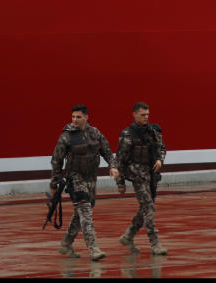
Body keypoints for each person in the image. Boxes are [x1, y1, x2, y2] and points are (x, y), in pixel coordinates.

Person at [50, 104, 119, 261]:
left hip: (91, 179)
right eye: (73, 117)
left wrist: (113, 166)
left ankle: (67, 243)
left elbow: (107, 151)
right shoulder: (66, 136)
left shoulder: (95, 133)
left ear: (86, 117)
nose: (75, 120)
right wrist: (54, 183)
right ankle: (93, 248)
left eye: (78, 117)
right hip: (75, 179)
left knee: (81, 212)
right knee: (86, 213)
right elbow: (56, 160)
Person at [115, 101, 168, 255]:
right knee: (149, 208)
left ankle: (128, 236)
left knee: (145, 208)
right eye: (143, 115)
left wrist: (160, 160)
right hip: (137, 175)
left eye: (147, 115)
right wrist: (120, 183)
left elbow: (162, 148)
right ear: (134, 115)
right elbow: (120, 160)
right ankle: (155, 244)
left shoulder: (153, 132)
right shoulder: (127, 134)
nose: (146, 117)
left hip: (152, 175)